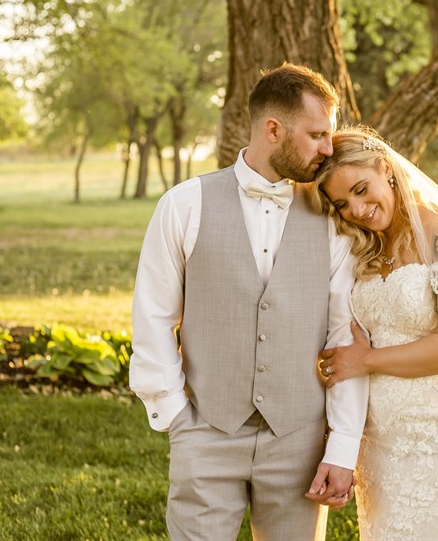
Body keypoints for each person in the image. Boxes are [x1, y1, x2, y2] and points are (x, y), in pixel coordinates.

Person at [130, 64, 368, 541]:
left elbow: (345, 336)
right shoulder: (184, 204)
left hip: (299, 439)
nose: (329, 148)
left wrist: (341, 445)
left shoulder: (331, 218)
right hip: (205, 430)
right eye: (317, 134)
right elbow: (153, 316)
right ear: (273, 129)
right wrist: (176, 414)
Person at [310, 126, 438, 541]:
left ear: (386, 168)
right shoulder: (367, 244)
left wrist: (366, 361)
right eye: (343, 203)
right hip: (382, 439)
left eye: (363, 189)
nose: (357, 209)